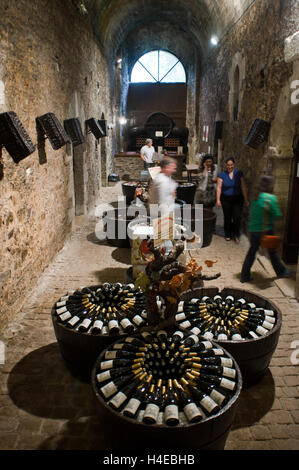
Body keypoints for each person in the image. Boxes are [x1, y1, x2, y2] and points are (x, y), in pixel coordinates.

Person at [240, 175, 294, 283]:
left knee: (252, 252)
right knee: (272, 252)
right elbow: (278, 215)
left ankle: (244, 275)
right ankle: (281, 271)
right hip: (265, 230)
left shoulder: (255, 196)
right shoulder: (270, 198)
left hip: (253, 229)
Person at [217, 157, 249, 243]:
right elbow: (219, 187)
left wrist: (246, 199)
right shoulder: (222, 175)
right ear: (226, 165)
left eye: (231, 165)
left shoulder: (239, 173)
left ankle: (236, 234)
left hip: (237, 199)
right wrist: (218, 199)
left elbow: (243, 187)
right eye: (228, 165)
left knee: (237, 218)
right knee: (227, 217)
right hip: (226, 199)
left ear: (234, 165)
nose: (230, 166)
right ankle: (228, 234)